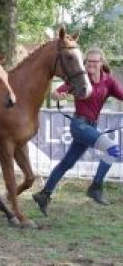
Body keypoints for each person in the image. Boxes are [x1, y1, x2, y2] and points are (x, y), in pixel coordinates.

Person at [33, 48, 123, 216]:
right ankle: (95, 188)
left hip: (91, 126)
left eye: (95, 61)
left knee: (67, 163)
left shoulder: (108, 81)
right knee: (112, 150)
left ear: (101, 63)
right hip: (79, 125)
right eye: (88, 61)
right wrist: (57, 96)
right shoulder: (80, 78)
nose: (90, 64)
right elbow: (55, 93)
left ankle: (44, 194)